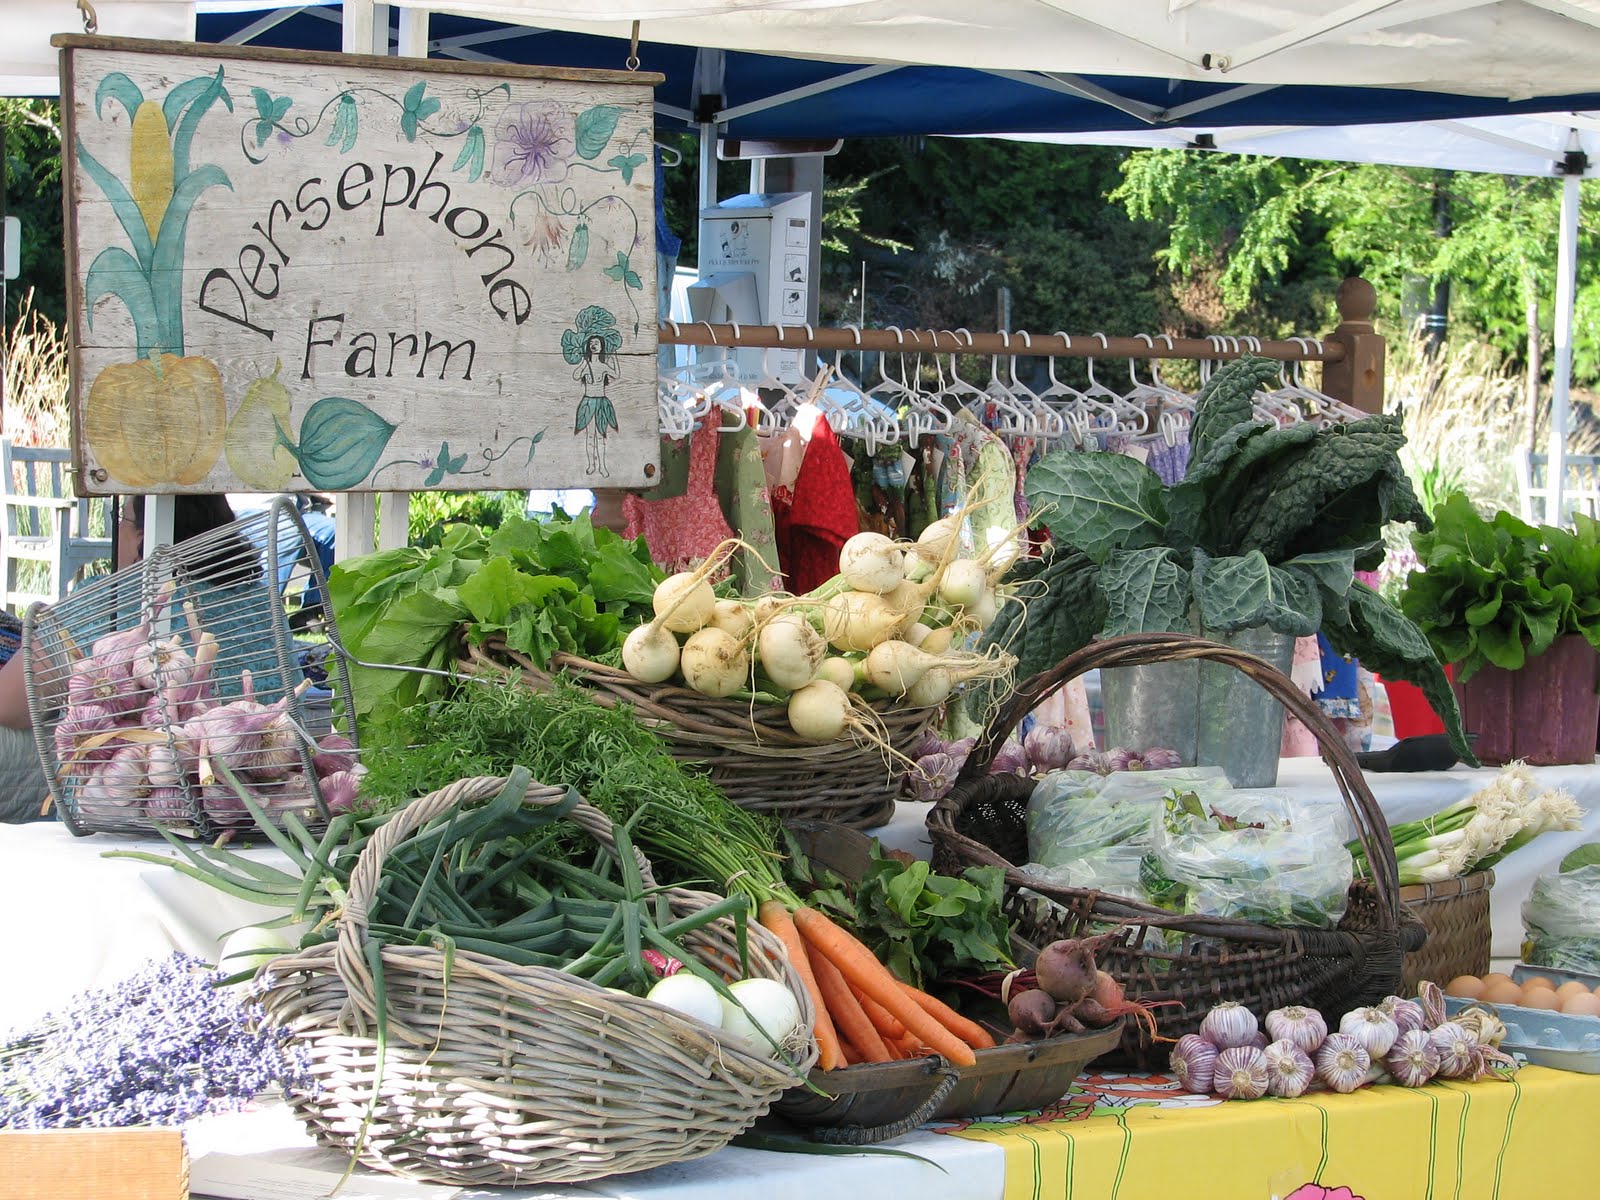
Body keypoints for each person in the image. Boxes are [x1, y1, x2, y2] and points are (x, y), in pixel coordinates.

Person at [0, 495, 248, 823]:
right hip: (248, 805)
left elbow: (8, 705)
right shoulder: (260, 602)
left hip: (122, 813)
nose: (116, 529)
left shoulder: (106, 600)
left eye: (122, 518)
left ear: (143, 538)